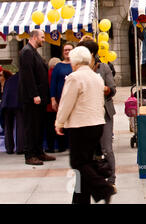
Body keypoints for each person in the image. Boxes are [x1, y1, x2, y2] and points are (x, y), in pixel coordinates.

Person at [55, 46, 115, 204]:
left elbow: (66, 103)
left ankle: (104, 188)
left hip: (80, 125)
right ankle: (81, 199)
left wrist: (59, 122)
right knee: (86, 163)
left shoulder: (74, 78)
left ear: (74, 61)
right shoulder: (96, 77)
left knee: (78, 163)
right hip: (97, 124)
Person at [78, 38, 117, 189]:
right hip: (86, 114)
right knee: (91, 149)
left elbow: (112, 89)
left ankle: (111, 179)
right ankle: (95, 178)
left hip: (103, 112)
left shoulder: (104, 68)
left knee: (107, 148)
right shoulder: (79, 69)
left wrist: (102, 87)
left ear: (92, 53)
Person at [19, 29, 55, 166]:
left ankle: (39, 152)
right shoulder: (27, 52)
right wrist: (34, 94)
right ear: (34, 37)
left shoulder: (33, 52)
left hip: (39, 97)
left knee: (39, 126)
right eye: (42, 37)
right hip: (32, 98)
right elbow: (28, 76)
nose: (44, 40)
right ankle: (30, 155)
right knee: (31, 127)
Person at [46, 57, 62, 153]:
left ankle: (50, 147)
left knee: (50, 127)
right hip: (59, 103)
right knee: (60, 125)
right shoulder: (60, 74)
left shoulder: (47, 74)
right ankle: (62, 146)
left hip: (49, 105)